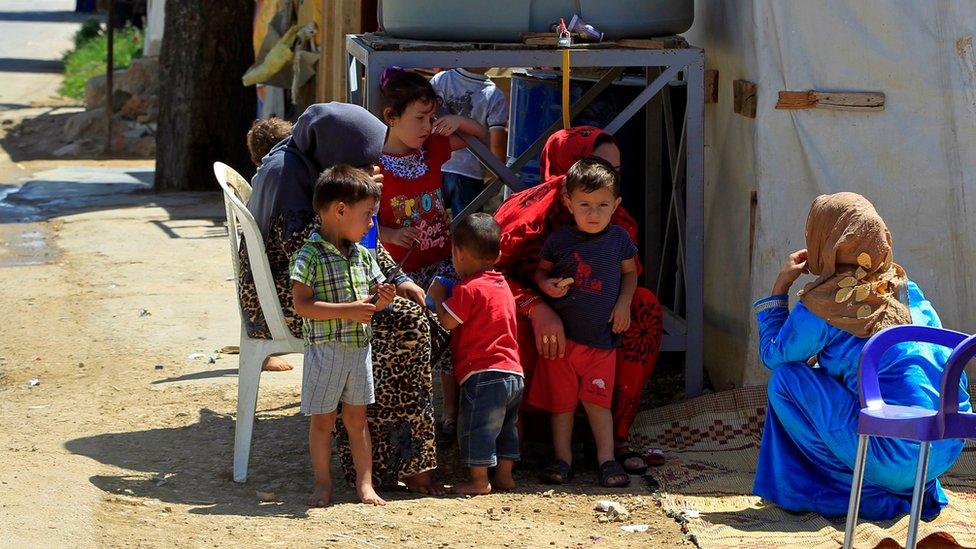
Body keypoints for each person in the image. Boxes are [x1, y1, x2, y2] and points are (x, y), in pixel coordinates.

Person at [241, 102, 443, 495]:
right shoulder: (292, 180)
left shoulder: (301, 163)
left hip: (313, 284)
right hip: (291, 298)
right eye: (359, 164)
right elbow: (331, 256)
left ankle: (410, 450)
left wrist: (398, 276)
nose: (366, 171)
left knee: (419, 310)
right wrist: (365, 202)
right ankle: (391, 464)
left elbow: (352, 247)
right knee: (406, 325)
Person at [752, 192, 971, 520]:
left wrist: (780, 287)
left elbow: (775, 356)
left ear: (825, 241)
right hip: (944, 445)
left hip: (893, 451)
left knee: (786, 380)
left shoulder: (826, 305)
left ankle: (856, 493)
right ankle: (909, 487)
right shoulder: (906, 290)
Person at [494, 126, 665, 474]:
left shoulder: (616, 223)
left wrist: (621, 304)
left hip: (593, 325)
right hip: (532, 314)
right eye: (597, 165)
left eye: (615, 171)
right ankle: (526, 442)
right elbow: (488, 275)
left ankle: (613, 441)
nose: (606, 177)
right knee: (502, 318)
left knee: (644, 307)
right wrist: (536, 306)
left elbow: (629, 275)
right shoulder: (527, 214)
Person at [375, 68, 488, 439]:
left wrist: (460, 121)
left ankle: (451, 411)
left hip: (441, 263)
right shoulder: (375, 168)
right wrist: (391, 232)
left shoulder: (432, 150)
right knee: (414, 343)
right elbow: (365, 222)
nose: (428, 126)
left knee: (450, 335)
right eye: (419, 118)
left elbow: (480, 135)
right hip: (402, 274)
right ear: (391, 118)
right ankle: (413, 417)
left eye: (431, 117)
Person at [291, 165, 395, 507]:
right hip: (325, 351)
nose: (370, 224)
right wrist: (348, 310)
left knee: (357, 419)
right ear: (340, 210)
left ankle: (365, 485)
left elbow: (370, 305)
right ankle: (323, 484)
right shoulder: (309, 254)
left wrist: (382, 299)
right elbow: (302, 305)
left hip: (358, 351)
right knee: (322, 421)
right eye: (367, 215)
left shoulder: (364, 255)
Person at [527, 157, 635, 487]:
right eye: (584, 204)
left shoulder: (619, 240)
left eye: (603, 205)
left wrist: (624, 303)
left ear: (616, 205)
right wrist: (546, 285)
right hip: (562, 344)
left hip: (602, 342)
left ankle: (606, 459)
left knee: (598, 403)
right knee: (561, 406)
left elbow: (630, 273)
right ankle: (563, 459)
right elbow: (540, 272)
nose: (593, 213)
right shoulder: (559, 240)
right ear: (568, 202)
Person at [428, 213, 524, 495]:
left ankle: (479, 481)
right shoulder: (502, 285)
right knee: (507, 428)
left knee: (476, 427)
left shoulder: (469, 288)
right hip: (514, 373)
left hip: (483, 373)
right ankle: (505, 476)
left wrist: (438, 296)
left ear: (458, 253)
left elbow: (447, 321)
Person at [430, 67, 509, 215]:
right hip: (469, 173)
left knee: (430, 221)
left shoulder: (442, 79)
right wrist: (498, 177)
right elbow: (497, 142)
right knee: (467, 228)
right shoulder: (494, 95)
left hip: (435, 166)